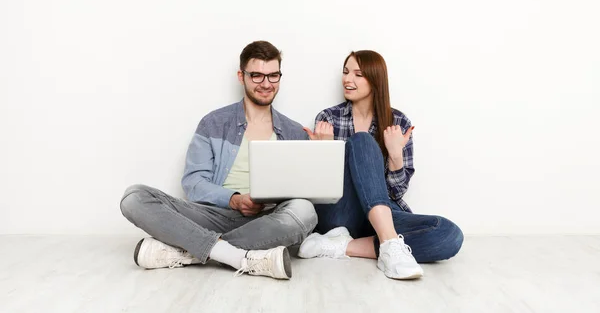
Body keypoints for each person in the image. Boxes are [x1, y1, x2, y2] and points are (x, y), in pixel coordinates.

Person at [120, 41, 317, 280]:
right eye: (256, 75)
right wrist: (234, 200)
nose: (266, 84)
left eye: (273, 75)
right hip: (214, 216)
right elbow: (193, 182)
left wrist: (322, 147)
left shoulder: (294, 131)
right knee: (134, 197)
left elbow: (303, 188)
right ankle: (240, 257)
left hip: (267, 221)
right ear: (241, 76)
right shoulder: (213, 123)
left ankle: (189, 251)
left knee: (305, 211)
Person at [298, 50, 463, 280]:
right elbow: (319, 189)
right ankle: (388, 242)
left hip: (379, 217)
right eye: (346, 72)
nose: (347, 79)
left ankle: (343, 247)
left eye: (358, 74)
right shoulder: (328, 118)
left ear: (375, 79)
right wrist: (325, 152)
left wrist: (395, 156)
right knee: (362, 140)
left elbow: (396, 192)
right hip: (340, 216)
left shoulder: (398, 122)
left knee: (449, 234)